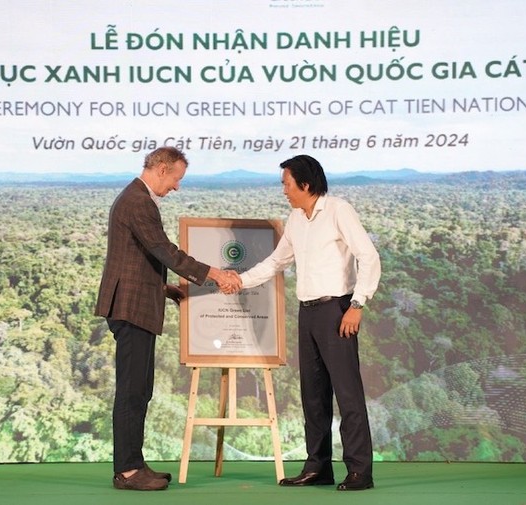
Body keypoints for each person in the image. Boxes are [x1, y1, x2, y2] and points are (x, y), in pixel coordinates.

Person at [230, 154, 381, 491]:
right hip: (308, 312)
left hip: (337, 310)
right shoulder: (296, 217)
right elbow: (276, 262)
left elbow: (368, 256)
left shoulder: (339, 209)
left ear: (306, 184)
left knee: (347, 393)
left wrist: (358, 304)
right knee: (313, 395)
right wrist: (239, 281)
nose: (283, 190)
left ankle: (360, 471)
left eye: (286, 183)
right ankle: (318, 467)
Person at [95, 146, 237, 491]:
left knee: (140, 389)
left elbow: (140, 257)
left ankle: (134, 462)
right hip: (131, 307)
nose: (177, 187)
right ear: (161, 169)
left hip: (137, 301)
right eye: (176, 179)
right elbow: (163, 250)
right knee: (132, 391)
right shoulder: (138, 201)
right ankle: (128, 471)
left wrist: (165, 287)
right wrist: (215, 273)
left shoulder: (136, 197)